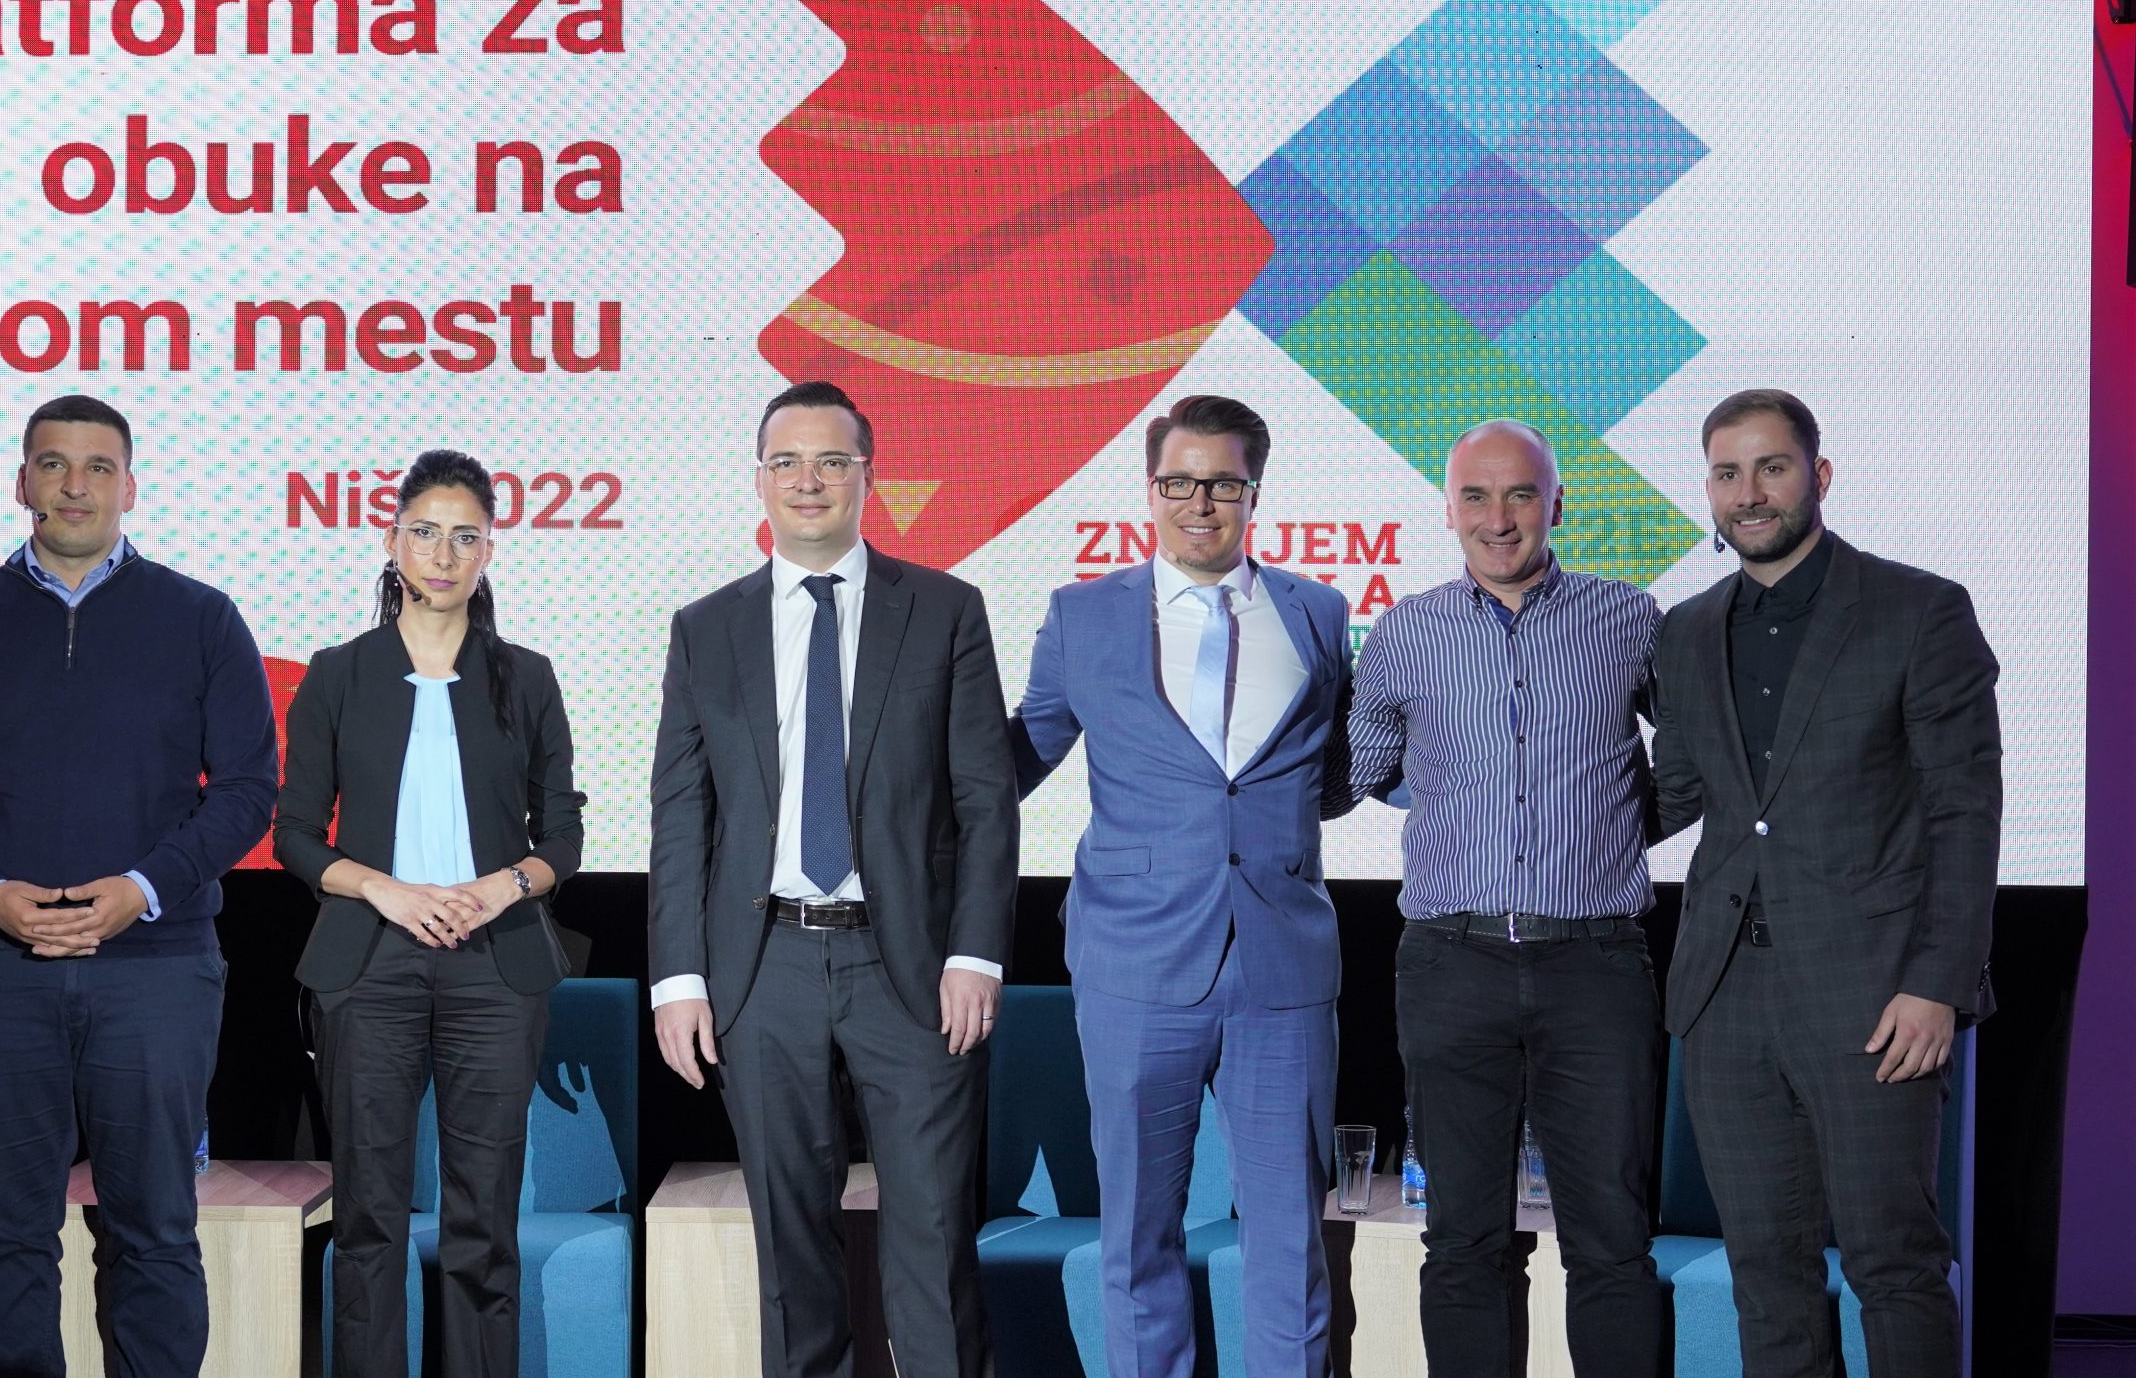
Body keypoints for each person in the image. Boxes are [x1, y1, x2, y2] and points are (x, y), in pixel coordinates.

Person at [0, 394, 279, 1377]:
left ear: (130, 488)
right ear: (23, 483)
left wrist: (143, 887)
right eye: (54, 465)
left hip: (157, 966)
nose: (76, 486)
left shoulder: (202, 617)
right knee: (7, 1232)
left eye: (99, 467)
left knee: (155, 1231)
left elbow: (249, 790)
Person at [647, 380, 1017, 1378]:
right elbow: (681, 814)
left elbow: (986, 801)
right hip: (761, 967)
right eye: (786, 461)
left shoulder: (943, 610)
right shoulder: (705, 627)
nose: (807, 480)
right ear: (759, 480)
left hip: (916, 970)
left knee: (933, 1243)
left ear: (867, 475)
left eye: (830, 461)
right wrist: (678, 976)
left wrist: (976, 954)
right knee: (790, 1252)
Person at [1651, 388, 2000, 1378]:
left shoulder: (1918, 610)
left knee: (1895, 1265)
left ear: (1819, 475)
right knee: (1765, 1274)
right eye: (1727, 473)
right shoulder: (1686, 631)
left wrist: (1937, 984)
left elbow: (1964, 812)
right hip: (1724, 1001)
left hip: (1874, 994)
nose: (1749, 492)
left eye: (1771, 467)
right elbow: (1674, 793)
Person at [1011, 394, 1351, 1377]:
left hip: (1283, 968)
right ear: (1150, 488)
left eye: (1222, 483)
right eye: (1179, 481)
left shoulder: (1320, 612)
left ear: (1254, 491)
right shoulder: (1081, 615)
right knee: (1137, 1238)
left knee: (1290, 1243)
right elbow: (1012, 762)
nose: (1199, 502)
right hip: (1133, 964)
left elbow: (1335, 774)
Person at [1334, 420, 1663, 1374]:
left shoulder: (1630, 618)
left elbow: (1697, 761)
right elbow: (1357, 770)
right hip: (1451, 962)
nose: (1499, 517)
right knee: (1462, 1243)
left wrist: (1608, 830)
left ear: (1557, 504)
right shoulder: (1406, 630)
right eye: (1476, 497)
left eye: (1520, 494)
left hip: (1596, 963)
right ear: (1448, 511)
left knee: (1612, 1241)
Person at [273, 449, 586, 1377]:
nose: (443, 555)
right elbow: (295, 835)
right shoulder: (338, 673)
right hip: (370, 962)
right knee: (367, 1216)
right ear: (392, 541)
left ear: (489, 550)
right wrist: (385, 888)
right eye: (425, 533)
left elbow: (563, 834)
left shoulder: (526, 676)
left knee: (484, 1220)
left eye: (464, 537)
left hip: (495, 965)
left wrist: (503, 886)